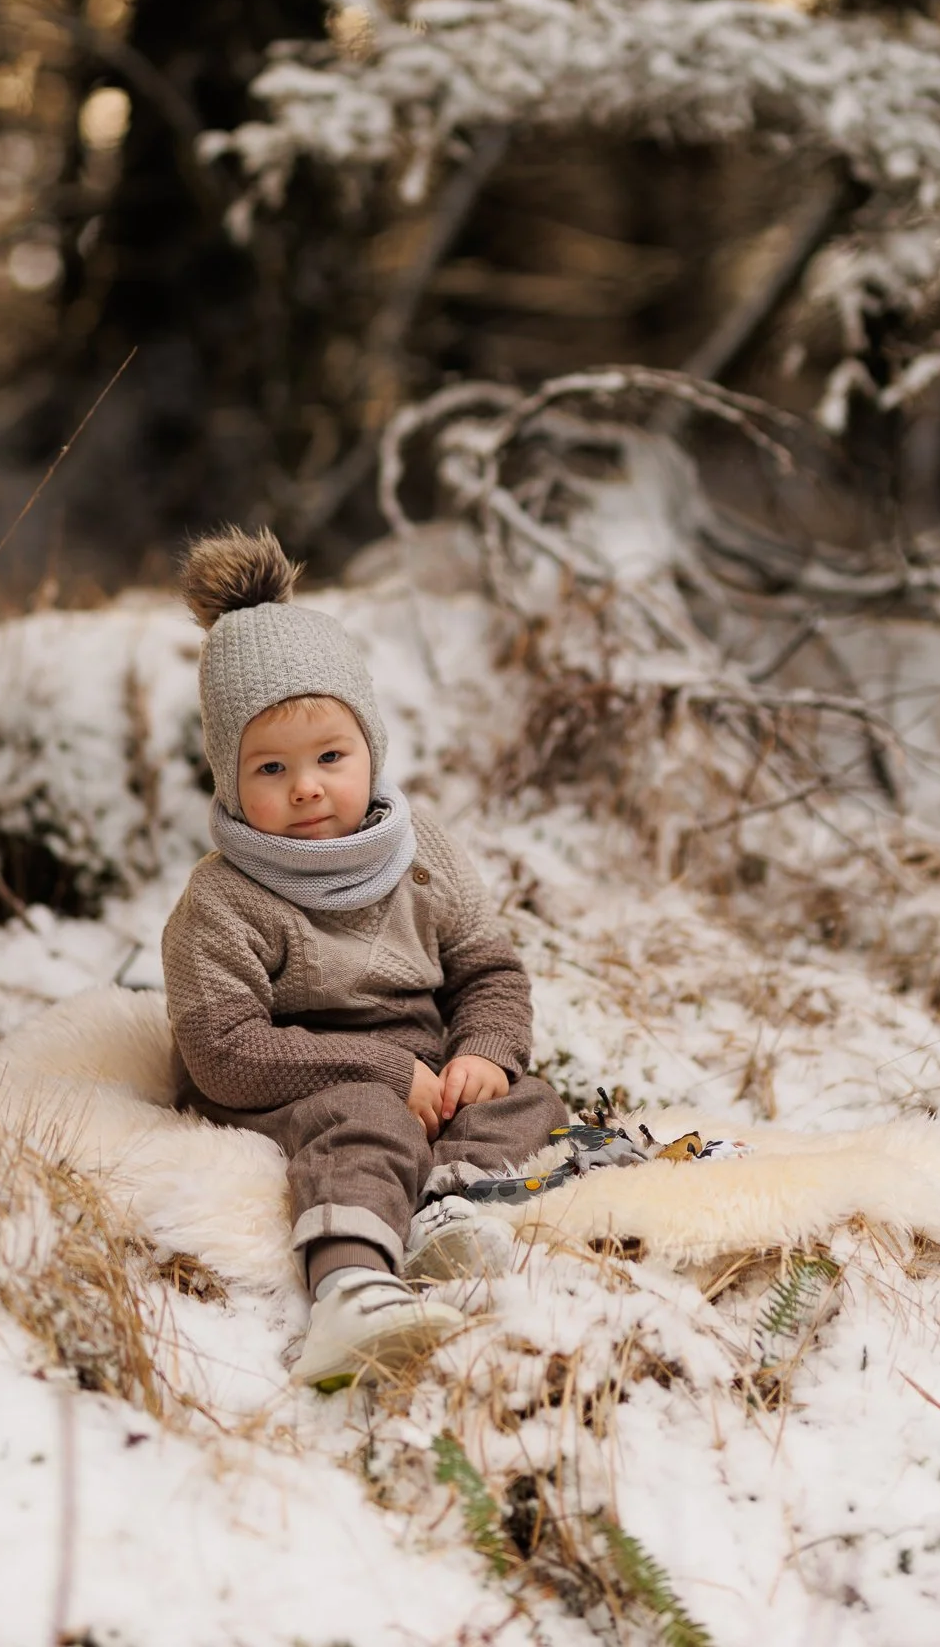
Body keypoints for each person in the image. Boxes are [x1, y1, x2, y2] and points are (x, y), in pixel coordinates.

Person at [162, 525, 568, 1388]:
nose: (306, 787)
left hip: (422, 1074)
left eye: (330, 757)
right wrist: (382, 1070)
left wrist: (482, 1054)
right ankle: (349, 1284)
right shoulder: (224, 899)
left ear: (371, 753)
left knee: (525, 1098)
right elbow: (222, 1050)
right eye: (270, 767)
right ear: (229, 780)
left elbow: (486, 973)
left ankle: (449, 1212)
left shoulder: (423, 860)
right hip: (293, 1079)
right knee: (362, 1122)